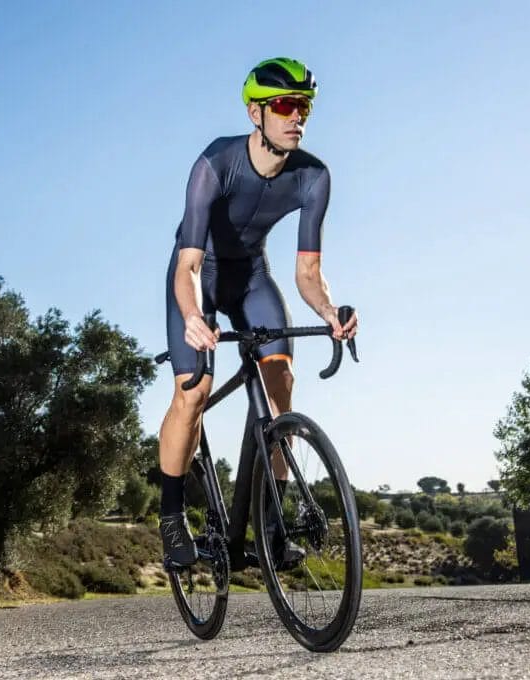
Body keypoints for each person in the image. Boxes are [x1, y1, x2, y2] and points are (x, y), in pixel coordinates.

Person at [158, 57, 359, 566]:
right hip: (199, 276)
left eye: (305, 108)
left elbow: (308, 274)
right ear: (255, 113)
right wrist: (193, 317)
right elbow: (187, 266)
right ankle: (172, 517)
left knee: (281, 384)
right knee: (194, 391)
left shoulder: (313, 177)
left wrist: (331, 311)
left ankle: (270, 524)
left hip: (251, 278)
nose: (298, 118)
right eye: (287, 106)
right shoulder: (215, 164)